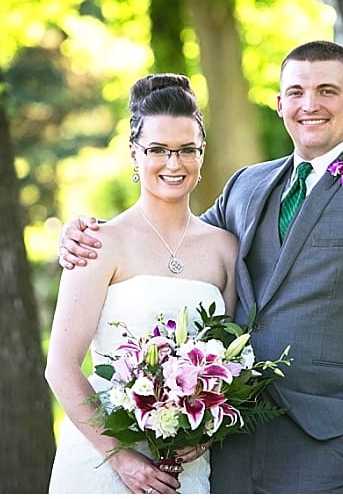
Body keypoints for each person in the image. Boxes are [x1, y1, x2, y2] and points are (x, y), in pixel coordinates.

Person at [57, 40, 343, 493]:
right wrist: (85, 233)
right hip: (228, 443)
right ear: (279, 103)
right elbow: (173, 248)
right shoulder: (248, 184)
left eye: (327, 91)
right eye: (296, 92)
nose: (310, 105)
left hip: (325, 438)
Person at [45, 73, 238, 494]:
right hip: (102, 465)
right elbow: (60, 366)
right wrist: (123, 458)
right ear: (134, 154)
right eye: (158, 150)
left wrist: (205, 432)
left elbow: (231, 362)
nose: (174, 163)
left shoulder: (225, 250)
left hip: (184, 468)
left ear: (202, 154)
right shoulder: (97, 243)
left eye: (187, 150)